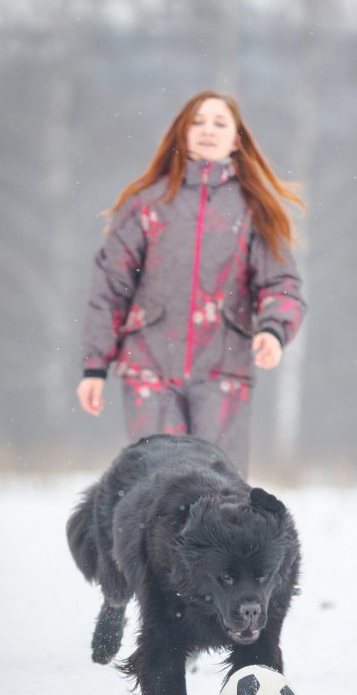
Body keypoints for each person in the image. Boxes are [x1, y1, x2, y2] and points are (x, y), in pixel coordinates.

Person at [76, 90, 307, 475]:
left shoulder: (254, 209)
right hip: (148, 370)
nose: (207, 130)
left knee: (220, 490)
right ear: (181, 134)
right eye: (197, 121)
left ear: (236, 140)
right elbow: (109, 286)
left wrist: (272, 331)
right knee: (156, 485)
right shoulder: (146, 205)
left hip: (224, 373)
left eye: (219, 123)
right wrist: (94, 367)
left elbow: (280, 283)